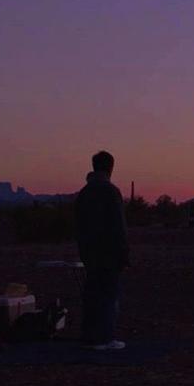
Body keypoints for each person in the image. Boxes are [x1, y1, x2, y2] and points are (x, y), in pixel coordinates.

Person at [74, 150, 129, 350]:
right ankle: (104, 338)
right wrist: (124, 252)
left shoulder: (85, 192)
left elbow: (78, 225)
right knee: (108, 295)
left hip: (89, 252)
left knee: (92, 294)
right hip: (109, 252)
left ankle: (90, 336)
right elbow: (118, 225)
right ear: (110, 168)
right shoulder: (110, 191)